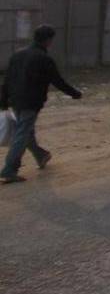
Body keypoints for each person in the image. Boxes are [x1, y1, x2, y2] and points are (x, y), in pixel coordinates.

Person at [0, 25, 82, 184]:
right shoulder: (44, 58)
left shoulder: (17, 55)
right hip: (31, 102)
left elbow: (7, 79)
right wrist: (75, 94)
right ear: (48, 40)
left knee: (26, 130)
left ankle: (41, 155)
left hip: (15, 100)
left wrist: (3, 101)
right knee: (23, 132)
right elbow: (57, 81)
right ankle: (9, 169)